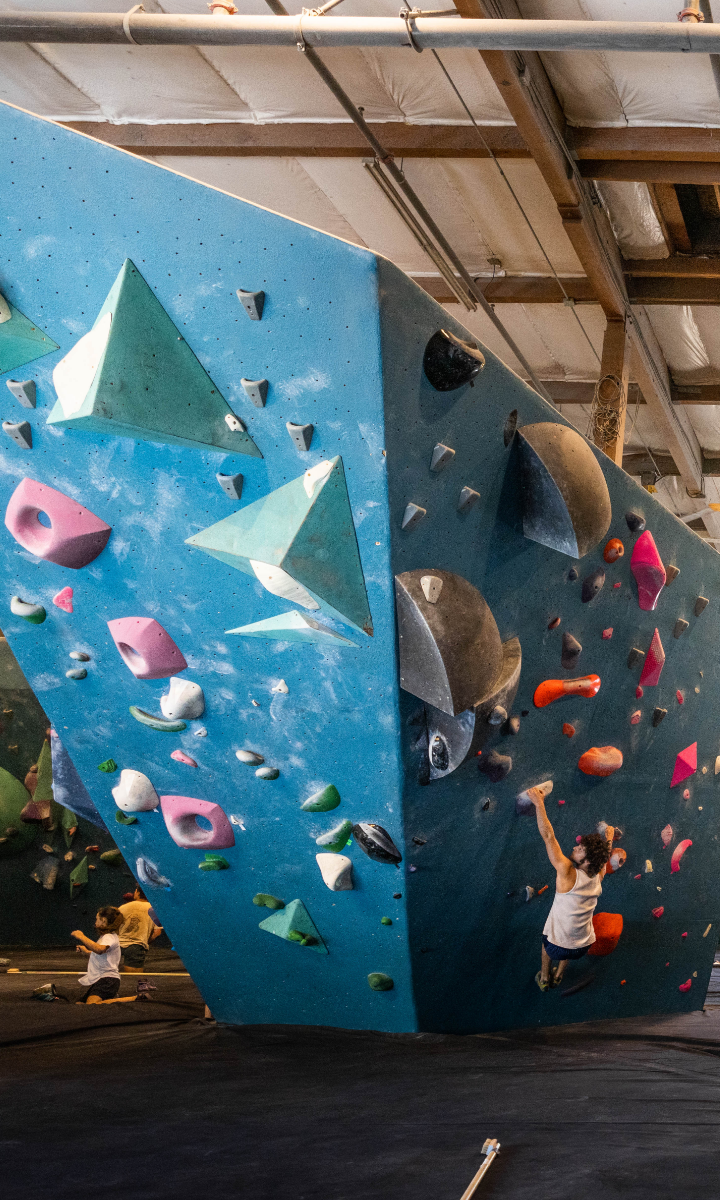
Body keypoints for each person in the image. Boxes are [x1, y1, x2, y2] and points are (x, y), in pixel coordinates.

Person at [527, 786, 613, 991]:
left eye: (580, 849)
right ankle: (560, 974)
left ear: (585, 862)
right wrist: (608, 838)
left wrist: (539, 803)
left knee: (547, 942)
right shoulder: (598, 874)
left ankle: (545, 977)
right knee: (568, 942)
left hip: (558, 947)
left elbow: (549, 837)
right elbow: (604, 857)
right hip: (582, 947)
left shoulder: (567, 871)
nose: (575, 847)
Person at [72, 907, 139, 1004]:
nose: (95, 921)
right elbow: (102, 955)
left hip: (108, 980)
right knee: (80, 1003)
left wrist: (81, 936)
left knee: (92, 1004)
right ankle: (110, 998)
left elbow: (100, 950)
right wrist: (87, 951)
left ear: (103, 921)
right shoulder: (107, 937)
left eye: (97, 919)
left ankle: (134, 998)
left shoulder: (109, 937)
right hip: (103, 979)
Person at [118, 886, 163, 973]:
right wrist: (144, 941)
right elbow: (157, 932)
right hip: (137, 946)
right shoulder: (154, 910)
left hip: (116, 946)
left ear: (138, 893)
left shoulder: (122, 907)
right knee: (133, 980)